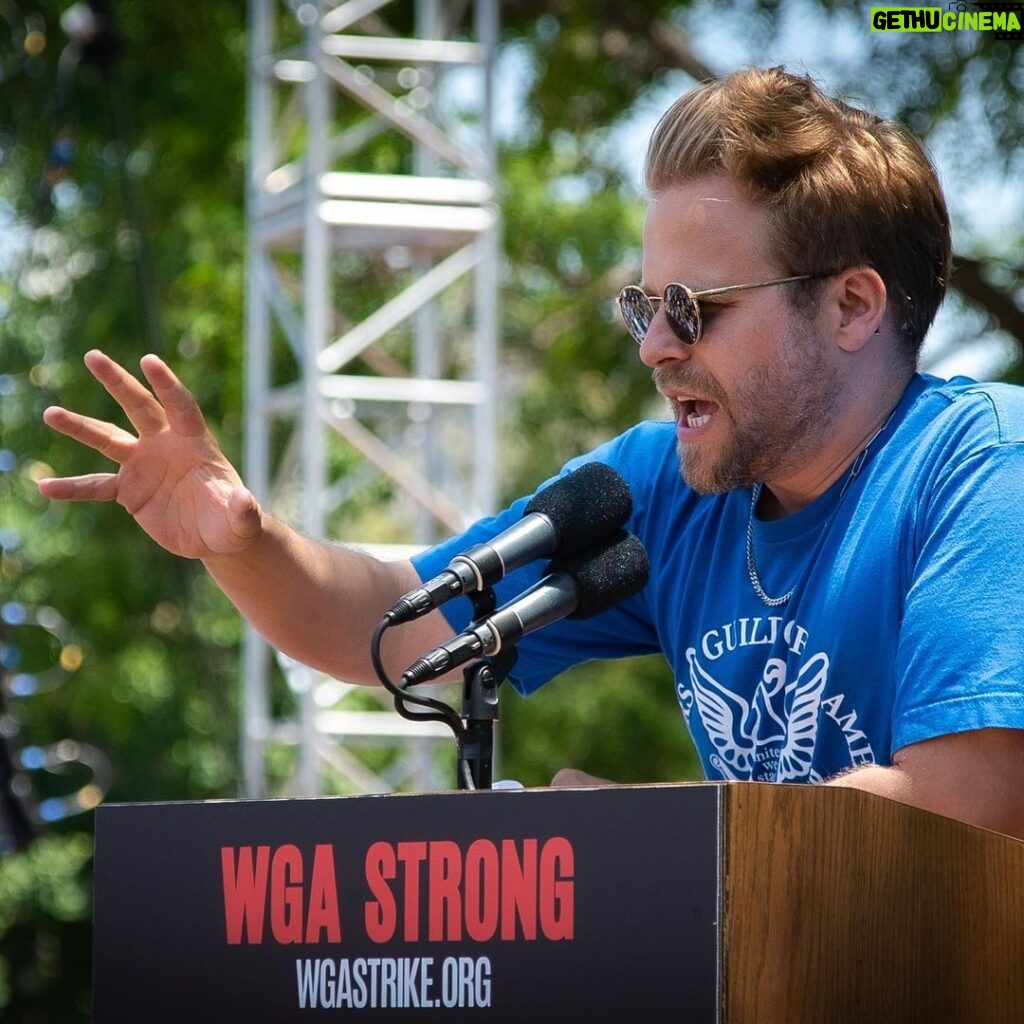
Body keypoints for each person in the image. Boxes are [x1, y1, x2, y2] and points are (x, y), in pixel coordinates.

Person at [38, 66, 1024, 839]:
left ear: (850, 305)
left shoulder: (982, 473)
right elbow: (391, 625)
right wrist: (239, 542)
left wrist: (654, 841)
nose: (653, 347)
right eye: (644, 306)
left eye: (691, 309)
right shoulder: (663, 486)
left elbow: (963, 800)